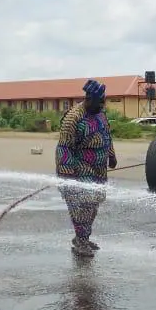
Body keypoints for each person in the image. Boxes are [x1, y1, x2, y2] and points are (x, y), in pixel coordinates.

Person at [56, 79, 117, 256]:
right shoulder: (73, 117)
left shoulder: (100, 114)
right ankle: (81, 241)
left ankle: (84, 237)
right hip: (79, 169)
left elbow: (107, 136)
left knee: (94, 204)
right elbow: (64, 147)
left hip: (99, 169)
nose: (102, 104)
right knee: (82, 206)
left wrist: (111, 155)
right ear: (89, 99)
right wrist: (66, 173)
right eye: (100, 101)